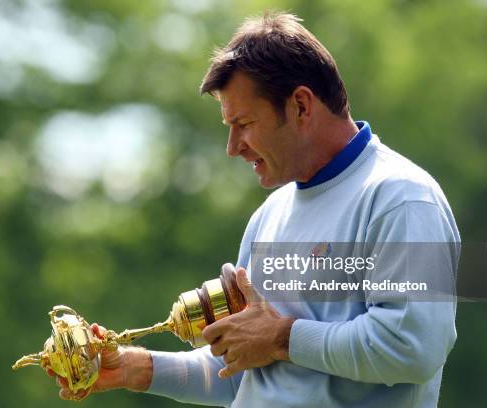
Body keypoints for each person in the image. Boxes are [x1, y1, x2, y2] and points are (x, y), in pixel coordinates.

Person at [50, 12, 459, 407]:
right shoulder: (270, 214)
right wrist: (135, 369)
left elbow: (412, 348)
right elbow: (241, 374)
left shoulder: (402, 199)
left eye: (244, 123)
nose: (233, 148)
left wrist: (282, 338)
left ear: (300, 105)